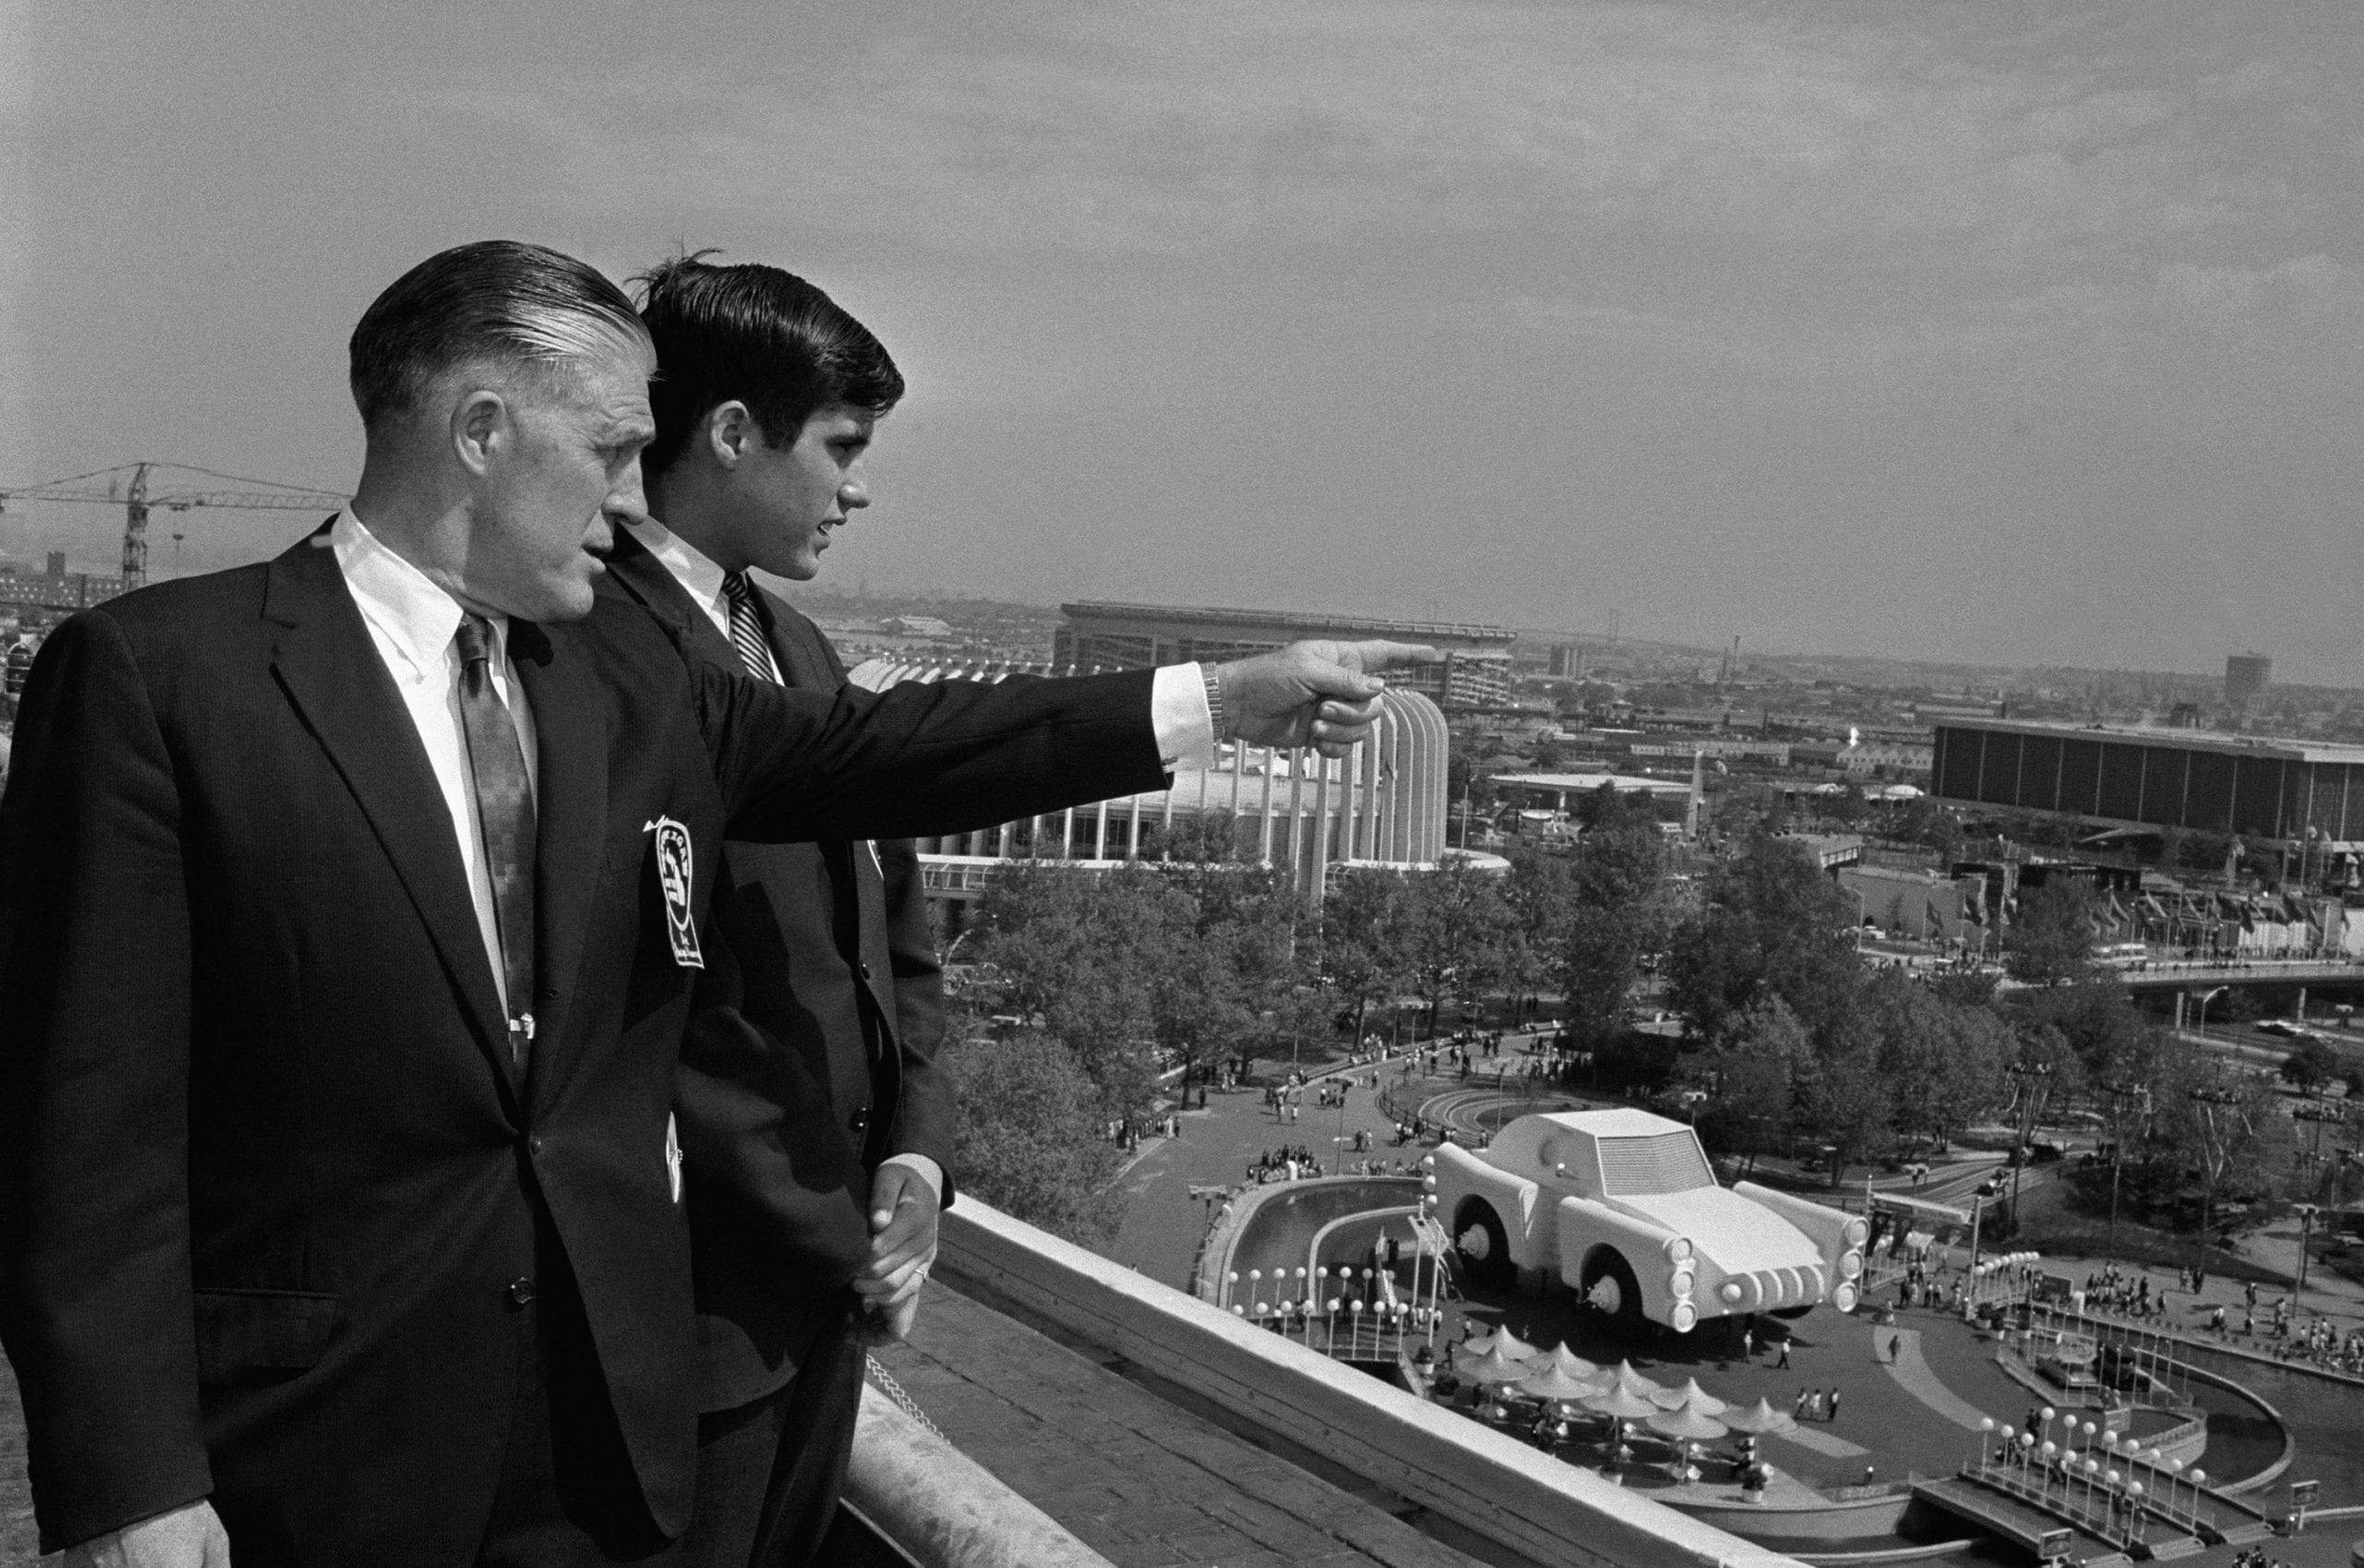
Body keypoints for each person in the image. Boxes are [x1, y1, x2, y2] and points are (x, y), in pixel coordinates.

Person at [0, 239, 1425, 1566]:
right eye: (614, 448)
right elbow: (86, 1125)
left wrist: (1226, 699)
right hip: (309, 1457)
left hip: (605, 1446)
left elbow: (901, 754)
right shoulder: (159, 681)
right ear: (482, 433)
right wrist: (129, 1475)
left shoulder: (630, 684)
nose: (633, 496)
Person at [602, 254, 948, 1566]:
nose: (857, 488)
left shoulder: (800, 658)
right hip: (684, 1324)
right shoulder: (601, 662)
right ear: (734, 433)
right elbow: (646, 1021)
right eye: (842, 446)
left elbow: (895, 943)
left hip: (824, 1315)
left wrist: (917, 1152)